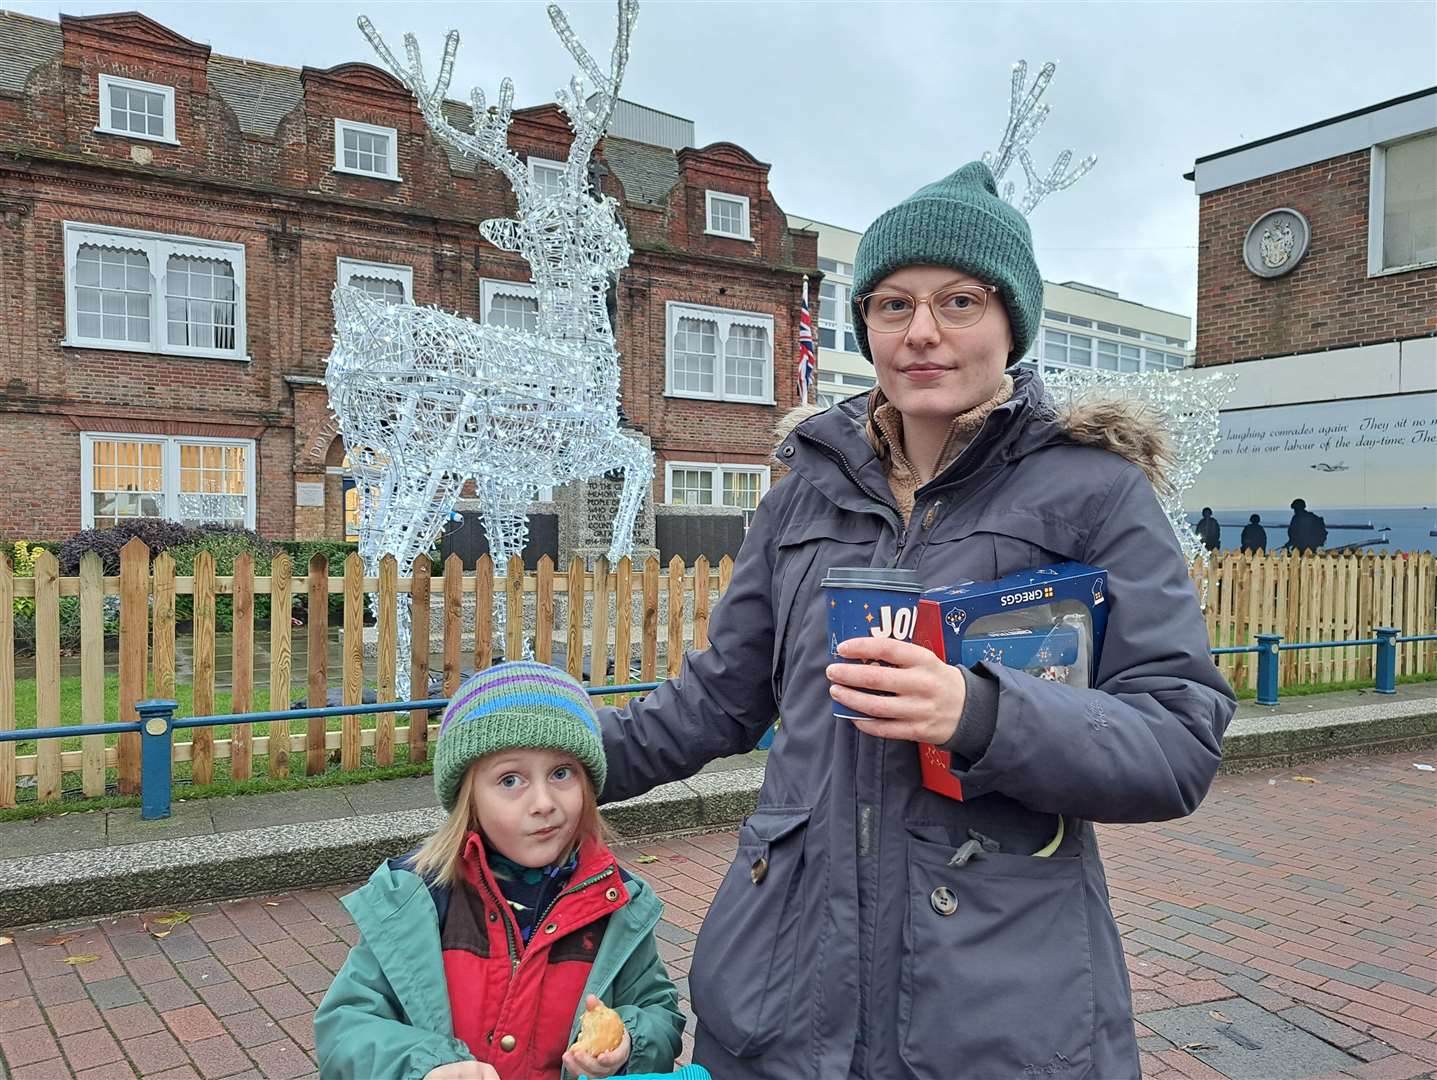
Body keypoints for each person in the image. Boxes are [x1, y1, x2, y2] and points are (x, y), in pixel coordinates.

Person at [594, 161, 1236, 1080]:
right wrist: (560, 750)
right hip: (784, 988)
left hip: (992, 1005)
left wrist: (980, 715)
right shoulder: (801, 493)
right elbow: (718, 700)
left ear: (1011, 322)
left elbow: (1176, 740)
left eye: (959, 302)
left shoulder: (1095, 495)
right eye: (892, 305)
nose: (921, 333)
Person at [315, 661, 684, 1080]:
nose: (543, 801)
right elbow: (345, 1029)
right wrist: (424, 1068)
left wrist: (630, 1043)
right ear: (468, 797)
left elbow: (660, 1011)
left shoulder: (615, 904)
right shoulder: (416, 901)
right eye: (511, 780)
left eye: (562, 773)